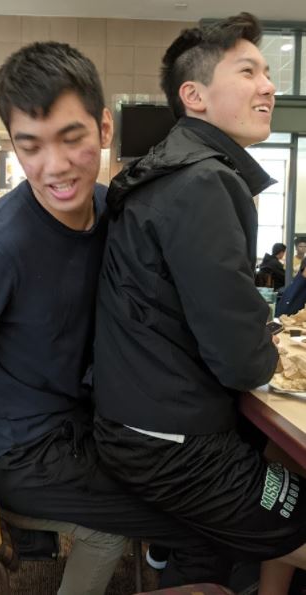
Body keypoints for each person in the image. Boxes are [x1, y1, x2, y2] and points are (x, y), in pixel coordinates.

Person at [0, 42, 233, 595]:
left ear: (105, 128)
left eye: (72, 138)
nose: (56, 166)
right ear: (14, 147)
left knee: (211, 485)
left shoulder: (114, 209)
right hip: (22, 455)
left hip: (90, 427)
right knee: (207, 519)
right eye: (31, 146)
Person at [93, 12, 306, 595]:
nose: (269, 86)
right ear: (195, 96)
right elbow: (242, 361)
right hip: (171, 448)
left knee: (280, 463)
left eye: (267, 72)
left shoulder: (170, 168)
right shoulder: (203, 182)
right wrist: (263, 343)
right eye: (248, 71)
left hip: (140, 427)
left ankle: (197, 563)